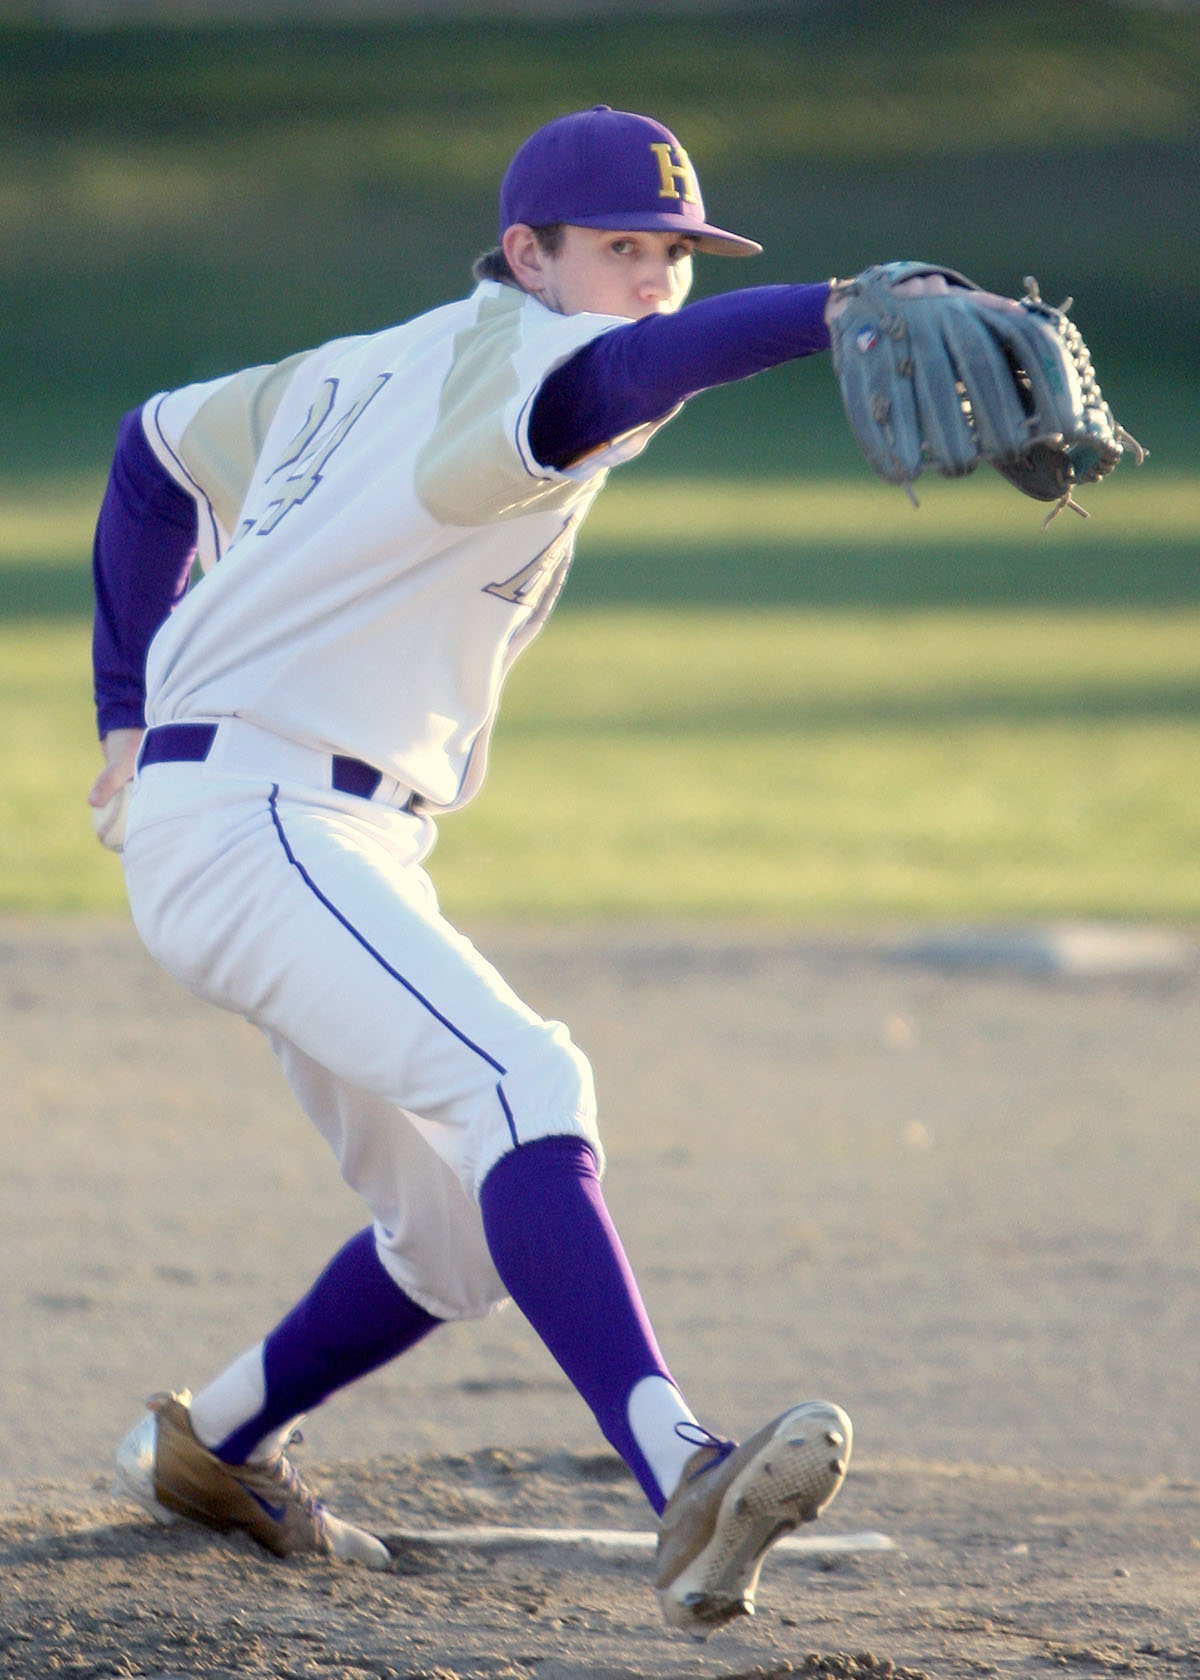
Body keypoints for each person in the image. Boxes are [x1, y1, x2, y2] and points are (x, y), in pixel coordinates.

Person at [91, 105, 853, 1634]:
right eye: (620, 250)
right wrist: (834, 312)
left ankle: (210, 1443)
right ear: (530, 255)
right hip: (262, 822)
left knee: (452, 1231)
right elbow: (641, 371)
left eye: (677, 257)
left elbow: (152, 447)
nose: (654, 282)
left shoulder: (361, 364)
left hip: (304, 826)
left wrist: (122, 712)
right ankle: (685, 1473)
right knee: (526, 1084)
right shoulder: (531, 375)